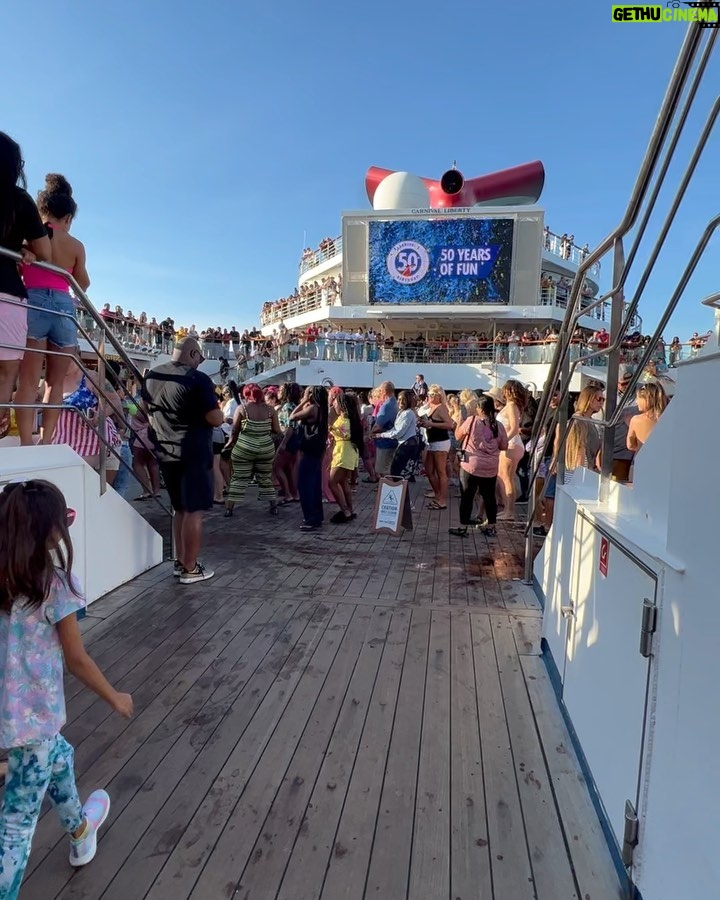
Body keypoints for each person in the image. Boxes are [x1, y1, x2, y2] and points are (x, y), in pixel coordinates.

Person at [0, 480, 133, 895]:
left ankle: (79, 831)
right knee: (16, 825)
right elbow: (76, 658)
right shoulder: (53, 583)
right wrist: (115, 697)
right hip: (33, 719)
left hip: (11, 716)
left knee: (60, 758)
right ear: (50, 531)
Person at [16, 174, 90, 446]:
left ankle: (25, 442)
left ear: (40, 211)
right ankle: (46, 442)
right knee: (54, 383)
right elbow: (83, 283)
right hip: (62, 306)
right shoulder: (76, 245)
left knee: (27, 380)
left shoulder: (29, 238)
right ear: (69, 217)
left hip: (32, 301)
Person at [142, 336, 222, 584]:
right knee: (194, 511)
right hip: (193, 452)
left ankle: (180, 561)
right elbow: (215, 418)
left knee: (180, 509)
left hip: (166, 451)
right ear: (193, 354)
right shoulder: (197, 379)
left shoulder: (152, 374)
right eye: (201, 357)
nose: (201, 362)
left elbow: (146, 409)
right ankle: (190, 567)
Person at [0, 133, 52, 425]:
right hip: (6, 293)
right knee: (6, 372)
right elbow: (43, 251)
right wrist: (19, 247)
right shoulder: (17, 198)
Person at [449, 395, 508, 538]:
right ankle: (491, 527)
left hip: (471, 465)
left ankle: (463, 527)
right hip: (490, 467)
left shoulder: (472, 421)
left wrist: (459, 422)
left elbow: (457, 436)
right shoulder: (498, 425)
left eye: (477, 407)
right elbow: (504, 445)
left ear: (480, 409)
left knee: (467, 496)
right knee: (489, 497)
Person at [223, 383, 281, 516]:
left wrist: (230, 443)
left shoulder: (242, 408)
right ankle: (273, 506)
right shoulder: (270, 410)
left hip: (245, 447)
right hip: (265, 448)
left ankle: (229, 509)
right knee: (265, 478)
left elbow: (235, 430)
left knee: (239, 477)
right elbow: (277, 430)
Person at [290, 386, 329, 532]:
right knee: (314, 485)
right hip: (316, 451)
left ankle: (310, 517)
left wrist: (304, 401)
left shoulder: (313, 408)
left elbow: (292, 416)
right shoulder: (323, 410)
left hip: (309, 452)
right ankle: (316, 516)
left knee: (305, 485)